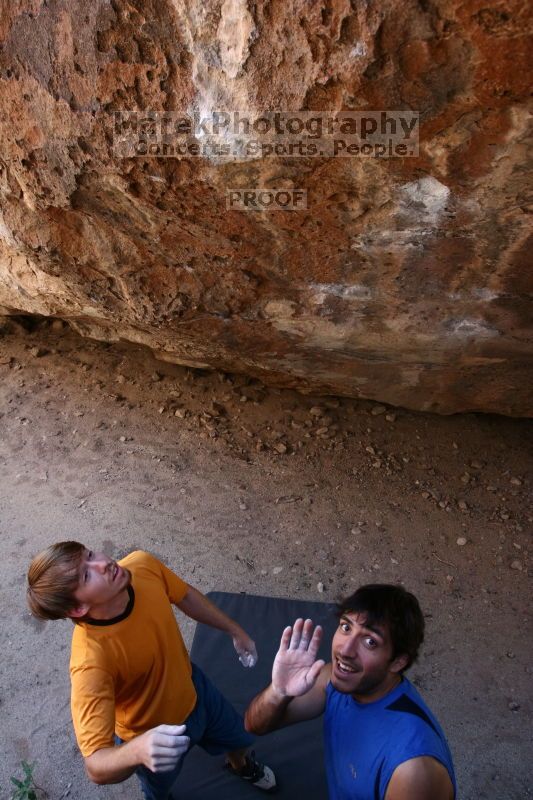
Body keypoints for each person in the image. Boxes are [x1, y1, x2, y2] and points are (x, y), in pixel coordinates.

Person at [26, 542, 276, 799]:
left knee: (239, 739)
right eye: (87, 575)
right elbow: (95, 764)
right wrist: (139, 750)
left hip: (196, 691)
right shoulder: (90, 663)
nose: (104, 563)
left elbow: (185, 595)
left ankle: (241, 766)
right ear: (78, 609)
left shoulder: (142, 565)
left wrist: (234, 629)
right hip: (151, 733)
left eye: (89, 555)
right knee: (159, 790)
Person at [244, 584, 456, 800]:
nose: (345, 651)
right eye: (346, 627)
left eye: (370, 642)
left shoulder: (413, 770)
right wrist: (279, 691)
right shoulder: (336, 681)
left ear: (398, 662)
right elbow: (255, 725)